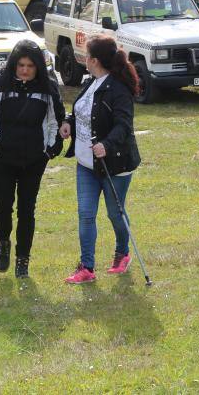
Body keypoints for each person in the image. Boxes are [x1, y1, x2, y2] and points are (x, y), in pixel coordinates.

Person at [0, 40, 64, 278]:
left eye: (30, 66)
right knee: (2, 207)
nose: (24, 70)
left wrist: (50, 150)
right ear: (13, 64)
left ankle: (23, 259)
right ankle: (3, 243)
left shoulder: (48, 88)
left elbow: (57, 121)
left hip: (34, 159)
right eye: (20, 65)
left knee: (27, 209)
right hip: (2, 158)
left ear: (38, 67)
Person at [59, 34, 141, 284]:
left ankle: (122, 252)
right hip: (86, 164)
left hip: (114, 164)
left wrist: (106, 144)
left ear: (94, 60)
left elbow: (123, 125)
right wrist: (68, 124)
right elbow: (83, 111)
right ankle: (87, 267)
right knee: (85, 214)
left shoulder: (118, 89)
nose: (83, 58)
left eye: (85, 54)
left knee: (115, 214)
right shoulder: (90, 82)